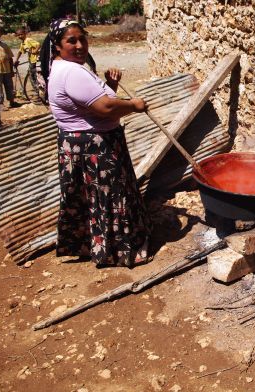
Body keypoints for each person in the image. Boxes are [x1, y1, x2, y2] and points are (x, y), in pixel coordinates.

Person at [40, 19, 152, 267]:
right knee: (108, 195)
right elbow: (105, 107)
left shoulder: (62, 67)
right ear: (57, 45)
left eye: (83, 39)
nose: (80, 45)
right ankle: (119, 252)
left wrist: (110, 86)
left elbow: (90, 104)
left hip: (82, 145)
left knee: (91, 197)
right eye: (72, 40)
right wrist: (134, 105)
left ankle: (95, 245)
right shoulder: (70, 71)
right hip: (95, 147)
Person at [0, 23, 18, 109]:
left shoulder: (4, 45)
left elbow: (10, 58)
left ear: (1, 34)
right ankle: (0, 103)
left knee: (9, 86)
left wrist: (12, 70)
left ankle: (12, 101)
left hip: (7, 69)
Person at [14, 27, 40, 100]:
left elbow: (38, 44)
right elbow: (20, 51)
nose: (20, 36)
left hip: (34, 61)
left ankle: (38, 92)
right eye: (18, 35)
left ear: (25, 34)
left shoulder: (28, 40)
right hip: (31, 61)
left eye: (21, 34)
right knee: (32, 76)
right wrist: (16, 60)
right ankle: (38, 92)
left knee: (33, 77)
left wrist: (35, 51)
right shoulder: (23, 43)